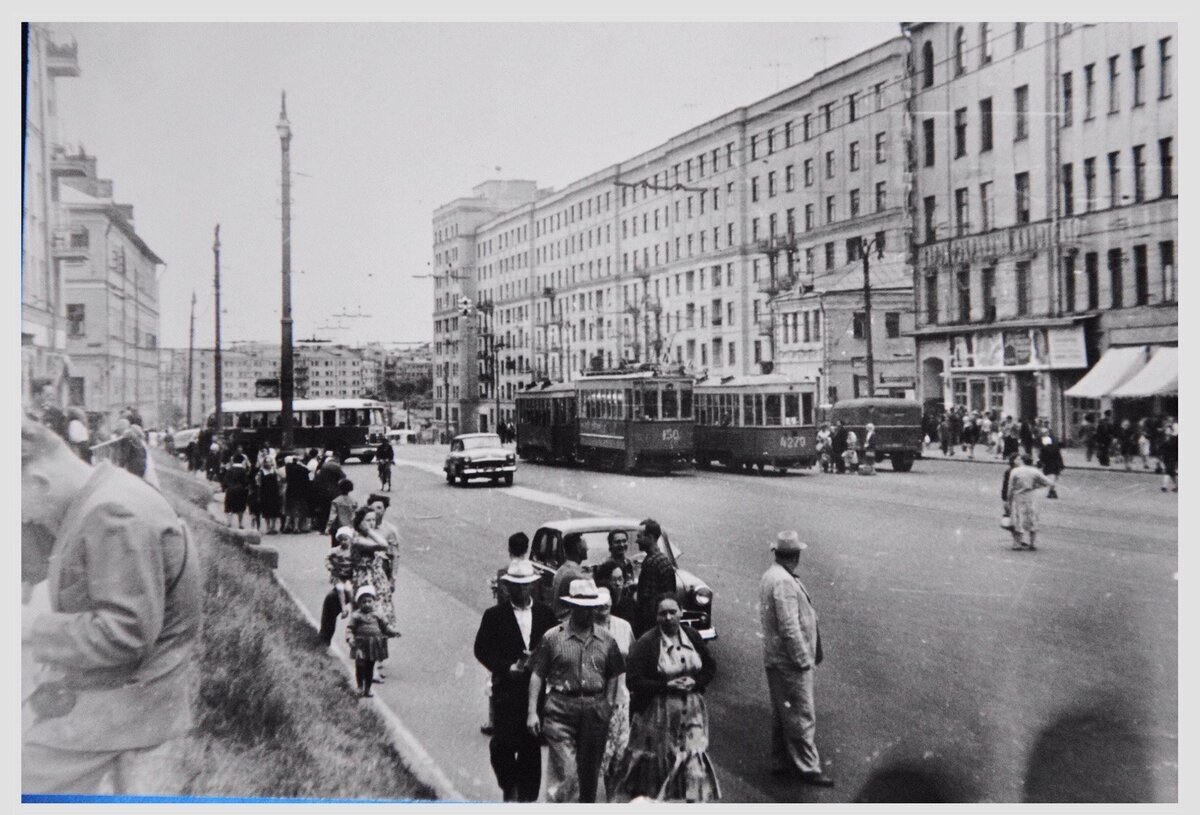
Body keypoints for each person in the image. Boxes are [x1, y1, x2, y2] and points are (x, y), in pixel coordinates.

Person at [21, 419, 202, 795]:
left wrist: (29, 627)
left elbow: (125, 634)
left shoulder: (112, 513)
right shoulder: (103, 494)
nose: (23, 519)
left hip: (130, 703)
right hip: (128, 691)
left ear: (39, 482)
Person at [527, 579, 626, 803]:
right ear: (572, 607)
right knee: (568, 772)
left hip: (595, 712)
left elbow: (614, 673)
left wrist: (607, 704)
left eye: (592, 607)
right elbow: (537, 674)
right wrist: (532, 712)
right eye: (583, 608)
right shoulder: (553, 637)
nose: (589, 613)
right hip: (560, 710)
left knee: (590, 775)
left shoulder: (607, 640)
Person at [615, 594, 719, 802]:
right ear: (656, 617)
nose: (669, 617)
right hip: (658, 714)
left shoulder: (692, 636)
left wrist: (696, 682)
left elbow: (709, 667)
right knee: (660, 767)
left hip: (692, 712)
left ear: (681, 612)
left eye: (673, 612)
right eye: (663, 613)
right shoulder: (647, 643)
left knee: (693, 762)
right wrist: (665, 685)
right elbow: (633, 680)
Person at [473, 560, 557, 802]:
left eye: (526, 586)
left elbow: (552, 648)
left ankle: (526, 799)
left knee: (531, 746)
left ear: (533, 586)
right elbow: (481, 649)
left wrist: (540, 661)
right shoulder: (495, 615)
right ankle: (509, 785)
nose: (521, 591)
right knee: (502, 745)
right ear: (508, 587)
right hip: (507, 690)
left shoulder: (545, 614)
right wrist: (505, 667)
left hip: (535, 691)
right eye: (516, 586)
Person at [759, 531, 833, 787]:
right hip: (789, 660)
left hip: (777, 658)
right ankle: (808, 767)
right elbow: (789, 625)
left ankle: (780, 760)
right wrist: (802, 659)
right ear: (796, 555)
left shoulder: (773, 575)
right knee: (802, 714)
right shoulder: (783, 581)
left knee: (783, 712)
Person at [595, 587, 635, 799]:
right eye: (599, 606)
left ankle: (611, 801)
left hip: (621, 700)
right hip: (596, 703)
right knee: (597, 758)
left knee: (619, 757)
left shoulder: (623, 626)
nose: (603, 610)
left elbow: (633, 658)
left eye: (607, 605)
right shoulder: (587, 629)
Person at [345, 586, 399, 698]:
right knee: (360, 665)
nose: (367, 604)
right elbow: (350, 628)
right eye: (364, 602)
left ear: (374, 602)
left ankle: (367, 689)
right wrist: (350, 638)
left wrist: (393, 632)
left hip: (373, 645)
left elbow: (385, 626)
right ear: (359, 603)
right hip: (360, 644)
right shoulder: (356, 616)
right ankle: (360, 687)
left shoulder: (378, 614)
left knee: (369, 667)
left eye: (370, 601)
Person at [634, 519, 676, 638]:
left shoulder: (651, 563)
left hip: (652, 625)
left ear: (650, 537)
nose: (637, 540)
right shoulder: (661, 559)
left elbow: (648, 601)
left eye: (640, 536)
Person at [1007, 455, 1053, 551]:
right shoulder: (1035, 471)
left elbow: (1010, 487)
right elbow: (1048, 482)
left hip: (1018, 496)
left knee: (1018, 518)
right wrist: (1036, 486)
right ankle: (1032, 543)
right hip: (1031, 496)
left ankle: (1017, 544)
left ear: (1023, 461)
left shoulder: (1015, 471)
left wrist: (1009, 500)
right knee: (1032, 518)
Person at [551, 532, 588, 620]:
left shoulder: (563, 569)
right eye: (585, 546)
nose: (587, 548)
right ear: (578, 548)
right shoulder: (575, 574)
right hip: (568, 621)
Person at [368, 494, 400, 586]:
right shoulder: (362, 527)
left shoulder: (390, 530)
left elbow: (395, 556)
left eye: (379, 508)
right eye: (372, 508)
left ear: (384, 510)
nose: (375, 511)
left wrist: (393, 580)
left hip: (382, 571)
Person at [593, 560, 636, 625]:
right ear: (605, 581)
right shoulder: (601, 607)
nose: (618, 583)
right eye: (613, 580)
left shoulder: (631, 604)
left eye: (620, 579)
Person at [281, 455, 311, 534]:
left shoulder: (287, 469)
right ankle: (296, 527)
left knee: (289, 509)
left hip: (289, 491)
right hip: (299, 491)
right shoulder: (301, 469)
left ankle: (286, 526)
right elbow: (307, 473)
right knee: (297, 509)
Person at [222, 449, 251, 529]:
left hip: (230, 490)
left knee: (229, 507)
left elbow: (225, 480)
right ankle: (240, 523)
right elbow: (245, 481)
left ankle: (229, 522)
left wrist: (224, 487)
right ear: (242, 461)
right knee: (240, 508)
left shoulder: (230, 470)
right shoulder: (243, 470)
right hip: (240, 491)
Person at [256, 451, 282, 534]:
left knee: (274, 510)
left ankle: (273, 527)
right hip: (265, 493)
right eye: (267, 462)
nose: (268, 463)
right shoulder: (261, 472)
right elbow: (259, 483)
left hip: (274, 492)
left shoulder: (275, 471)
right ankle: (268, 527)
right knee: (266, 510)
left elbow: (279, 480)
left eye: (270, 462)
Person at [326, 478, 358, 547]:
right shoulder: (353, 501)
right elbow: (355, 514)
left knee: (336, 547)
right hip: (350, 527)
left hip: (338, 527)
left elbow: (333, 515)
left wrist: (328, 527)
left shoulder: (336, 501)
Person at [1038, 434, 1064, 499]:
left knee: (1049, 479)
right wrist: (1061, 465)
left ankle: (1051, 491)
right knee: (1054, 479)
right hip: (1055, 465)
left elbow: (1041, 458)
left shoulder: (1043, 449)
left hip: (1048, 466)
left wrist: (1039, 464)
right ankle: (1052, 491)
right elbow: (1059, 457)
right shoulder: (1055, 448)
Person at [1158, 420, 1178, 493]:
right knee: (1172, 473)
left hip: (1173, 457)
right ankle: (1177, 486)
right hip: (1166, 457)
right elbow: (1161, 447)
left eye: (1168, 429)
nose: (1166, 430)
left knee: (1168, 471)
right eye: (1166, 429)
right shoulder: (1165, 438)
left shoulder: (1174, 438)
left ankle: (1164, 486)